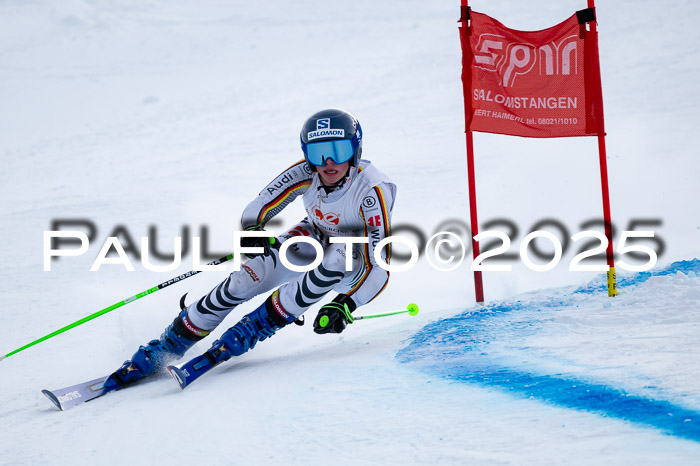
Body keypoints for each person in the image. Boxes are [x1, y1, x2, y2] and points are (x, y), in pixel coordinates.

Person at [107, 108, 397, 387]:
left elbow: (379, 263)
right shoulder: (306, 173)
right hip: (315, 234)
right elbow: (257, 207)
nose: (328, 163)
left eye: (339, 151)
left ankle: (250, 330)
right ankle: (167, 346)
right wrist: (254, 231)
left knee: (341, 255)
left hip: (356, 258)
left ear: (355, 151)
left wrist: (347, 303)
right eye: (318, 153)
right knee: (248, 275)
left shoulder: (372, 189)